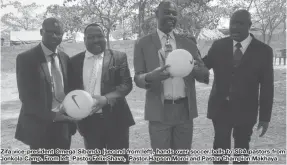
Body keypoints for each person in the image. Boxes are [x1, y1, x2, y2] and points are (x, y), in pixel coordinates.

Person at [133, 0, 209, 163]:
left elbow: (203, 74)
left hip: (184, 110)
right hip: (159, 111)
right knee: (161, 160)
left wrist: (197, 68)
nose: (171, 16)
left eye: (174, 13)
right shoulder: (143, 43)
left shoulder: (188, 42)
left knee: (181, 160)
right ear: (156, 15)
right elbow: (138, 78)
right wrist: (151, 76)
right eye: (166, 12)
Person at [202, 9, 274, 164]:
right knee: (220, 149)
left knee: (242, 150)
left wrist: (265, 118)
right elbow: (202, 66)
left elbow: (267, 87)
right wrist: (191, 54)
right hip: (220, 108)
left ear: (249, 25)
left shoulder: (264, 51)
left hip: (246, 110)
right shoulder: (219, 46)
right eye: (232, 23)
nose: (234, 27)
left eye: (240, 23)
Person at [68, 23, 135, 164]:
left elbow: (126, 85)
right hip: (89, 122)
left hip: (117, 119)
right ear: (84, 39)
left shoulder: (118, 57)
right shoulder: (74, 62)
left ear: (105, 37)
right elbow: (71, 90)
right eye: (91, 37)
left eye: (99, 36)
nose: (96, 40)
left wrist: (106, 99)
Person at [15, 17, 77, 164]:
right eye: (51, 32)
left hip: (63, 126)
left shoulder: (65, 58)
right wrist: (53, 116)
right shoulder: (26, 59)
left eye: (59, 33)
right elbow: (26, 97)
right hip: (39, 124)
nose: (56, 36)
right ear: (41, 32)